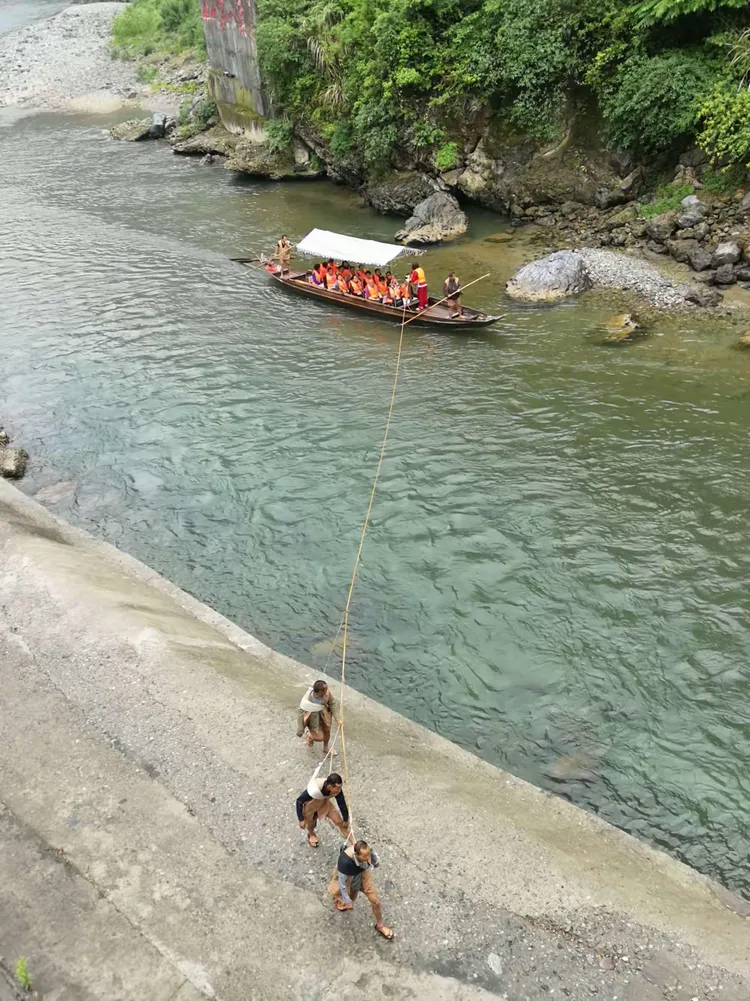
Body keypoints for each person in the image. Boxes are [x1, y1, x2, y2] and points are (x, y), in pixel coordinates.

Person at [328, 840, 393, 940]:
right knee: (350, 897)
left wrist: (376, 862)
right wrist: (347, 901)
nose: (368, 858)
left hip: (361, 874)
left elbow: (372, 853)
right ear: (356, 854)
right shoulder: (345, 863)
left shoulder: (367, 850)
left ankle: (380, 925)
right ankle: (340, 901)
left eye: (368, 855)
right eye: (365, 856)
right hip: (349, 877)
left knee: (376, 902)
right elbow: (342, 884)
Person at [295, 771, 350, 847]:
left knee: (339, 821)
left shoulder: (337, 790)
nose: (339, 790)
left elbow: (342, 803)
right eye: (337, 789)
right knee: (311, 824)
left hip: (325, 804)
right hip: (311, 806)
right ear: (330, 787)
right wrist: (301, 819)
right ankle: (311, 834)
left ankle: (353, 842)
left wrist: (346, 819)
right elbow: (299, 801)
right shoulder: (314, 789)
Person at [297, 679, 340, 756]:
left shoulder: (326, 694)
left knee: (327, 731)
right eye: (325, 689)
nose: (327, 690)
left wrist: (337, 719)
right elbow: (300, 714)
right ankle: (309, 735)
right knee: (320, 737)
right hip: (313, 719)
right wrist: (300, 729)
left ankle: (326, 747)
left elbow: (332, 703)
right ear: (320, 692)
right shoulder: (307, 700)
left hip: (325, 715)